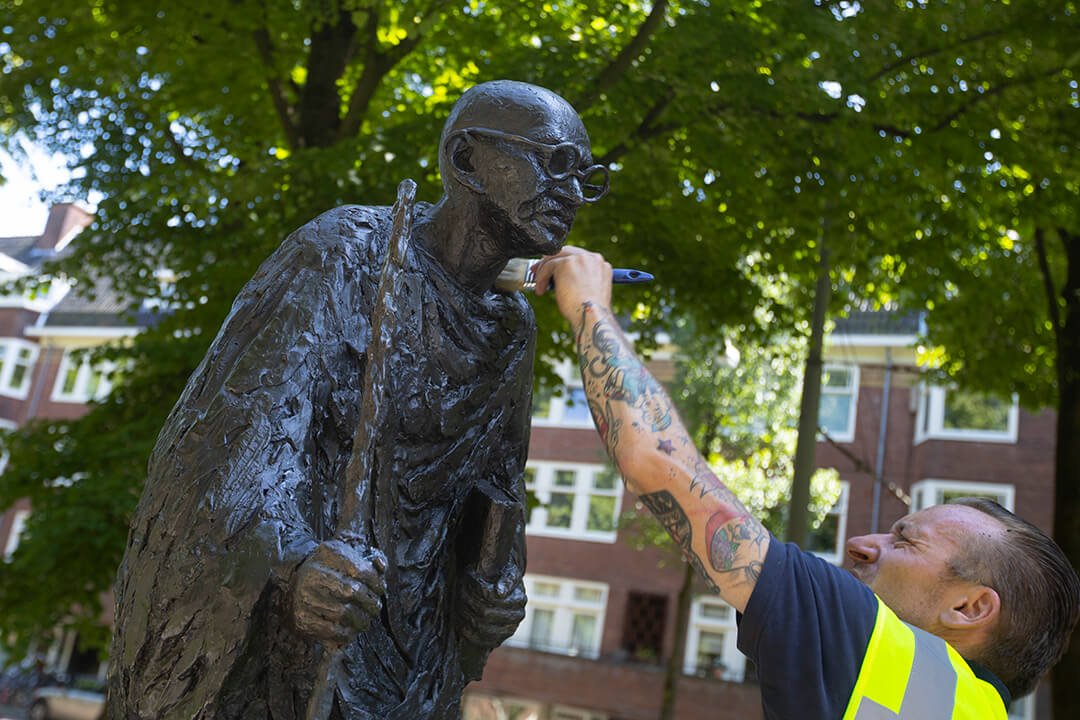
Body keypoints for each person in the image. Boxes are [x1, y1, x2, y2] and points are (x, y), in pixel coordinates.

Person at [106, 81, 608, 720]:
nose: (570, 192)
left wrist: (493, 589)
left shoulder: (513, 327)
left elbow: (494, 491)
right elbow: (221, 453)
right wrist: (290, 566)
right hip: (296, 664)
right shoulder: (347, 252)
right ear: (465, 161)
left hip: (414, 669)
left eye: (585, 176)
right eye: (553, 162)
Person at [532, 247, 1080, 720]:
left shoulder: (877, 647)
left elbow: (652, 459)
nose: (862, 544)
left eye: (905, 540)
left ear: (969, 609)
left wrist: (588, 304)